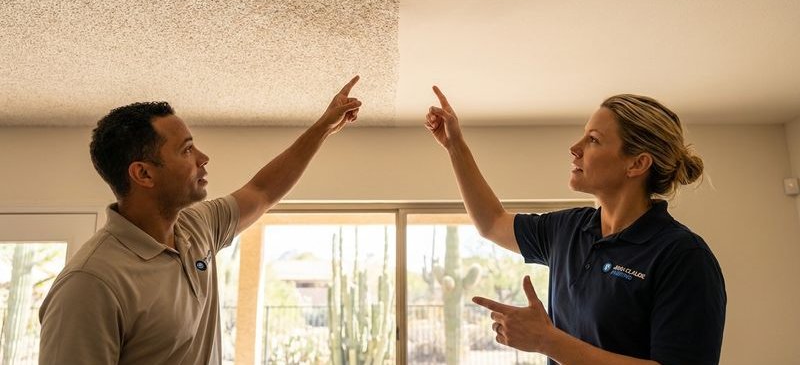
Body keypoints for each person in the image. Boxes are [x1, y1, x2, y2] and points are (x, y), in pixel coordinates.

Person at [38, 77, 362, 364]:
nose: (203, 158)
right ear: (144, 174)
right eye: (187, 150)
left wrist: (323, 127)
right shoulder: (90, 283)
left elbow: (262, 191)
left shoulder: (196, 227)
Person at [425, 86, 726, 365]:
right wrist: (454, 146)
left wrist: (546, 340)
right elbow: (492, 222)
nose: (574, 148)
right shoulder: (568, 229)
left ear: (637, 164)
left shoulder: (683, 256)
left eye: (593, 139)